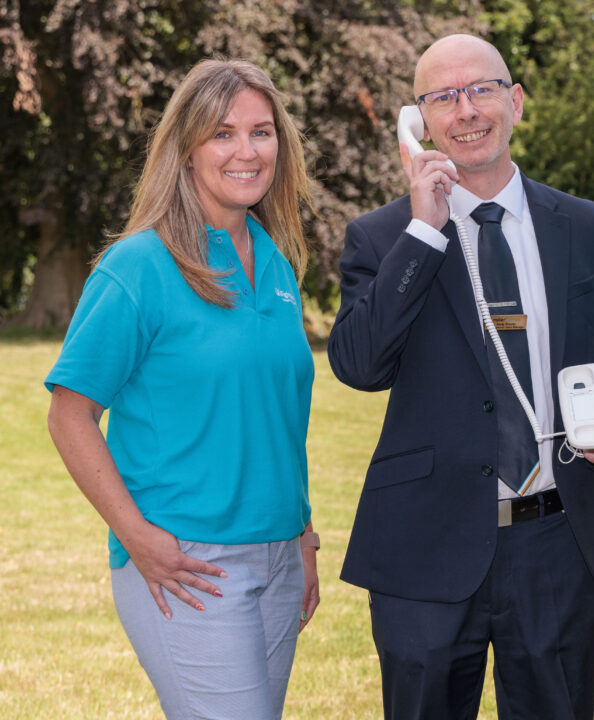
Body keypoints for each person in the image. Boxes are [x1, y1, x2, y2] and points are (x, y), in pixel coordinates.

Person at [327, 34, 594, 720]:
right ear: (421, 123)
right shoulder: (383, 237)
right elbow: (359, 365)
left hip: (558, 542)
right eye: (443, 97)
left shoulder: (582, 225)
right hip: (424, 547)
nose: (465, 110)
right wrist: (425, 231)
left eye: (481, 90)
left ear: (515, 102)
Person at [45, 58, 319, 719]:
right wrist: (136, 534)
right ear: (186, 148)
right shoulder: (139, 265)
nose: (247, 151)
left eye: (262, 132)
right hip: (188, 562)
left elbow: (273, 415)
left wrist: (302, 534)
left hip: (281, 555)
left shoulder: (275, 261)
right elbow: (70, 415)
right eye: (223, 133)